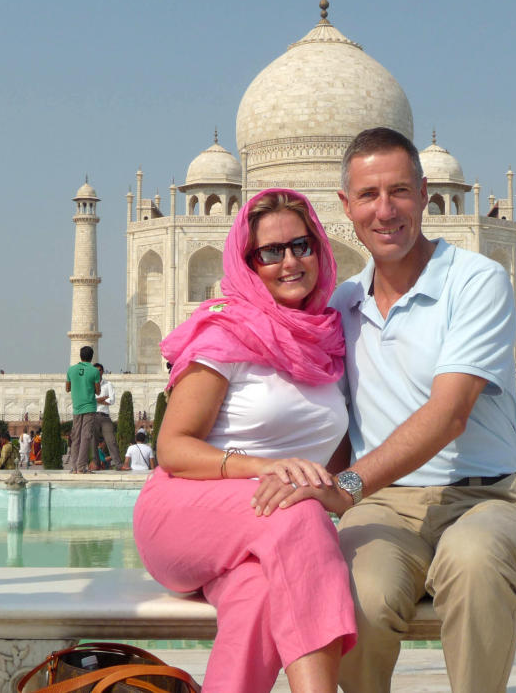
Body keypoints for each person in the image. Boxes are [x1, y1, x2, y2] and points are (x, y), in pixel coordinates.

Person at [268, 128, 516, 693]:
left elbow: (449, 414)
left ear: (424, 193)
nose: (384, 210)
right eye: (368, 195)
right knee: (353, 592)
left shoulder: (475, 280)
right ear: (345, 207)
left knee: (475, 563)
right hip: (383, 508)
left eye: (399, 192)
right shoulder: (342, 302)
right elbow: (329, 420)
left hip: (483, 499)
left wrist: (344, 485)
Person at [133, 188, 356, 693]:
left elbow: (337, 466)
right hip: (184, 513)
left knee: (260, 592)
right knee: (299, 511)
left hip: (265, 523)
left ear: (321, 247)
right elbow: (173, 448)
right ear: (247, 261)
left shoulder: (329, 342)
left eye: (301, 245)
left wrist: (341, 490)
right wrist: (264, 468)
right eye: (271, 252)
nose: (290, 261)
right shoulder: (225, 334)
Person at [65, 346, 101, 474]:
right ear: (92, 357)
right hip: (89, 406)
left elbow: (67, 388)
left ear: (80, 355)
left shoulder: (71, 370)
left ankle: (74, 467)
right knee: (86, 436)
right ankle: (81, 467)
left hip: (77, 407)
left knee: (76, 437)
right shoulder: (95, 371)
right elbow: (98, 391)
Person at [93, 363, 123, 469]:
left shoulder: (108, 384)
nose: (98, 372)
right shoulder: (89, 384)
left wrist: (96, 400)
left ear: (102, 371)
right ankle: (96, 464)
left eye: (100, 370)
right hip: (93, 416)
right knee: (93, 441)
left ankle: (118, 464)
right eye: (95, 370)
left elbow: (112, 400)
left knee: (111, 440)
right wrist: (102, 399)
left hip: (104, 416)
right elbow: (89, 400)